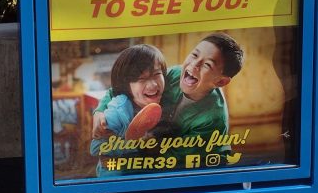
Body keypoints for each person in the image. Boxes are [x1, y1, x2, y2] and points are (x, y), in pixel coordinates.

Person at [92, 33, 245, 165]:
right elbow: (120, 88)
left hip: (200, 169)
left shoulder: (212, 118)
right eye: (194, 55)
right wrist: (99, 112)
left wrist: (130, 156)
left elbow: (176, 160)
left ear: (220, 82)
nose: (194, 65)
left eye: (207, 65)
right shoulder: (174, 75)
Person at [89, 44, 166, 176]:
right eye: (141, 79)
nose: (153, 84)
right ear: (126, 85)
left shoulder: (167, 96)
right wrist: (134, 144)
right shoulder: (118, 112)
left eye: (157, 74)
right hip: (118, 183)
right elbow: (95, 149)